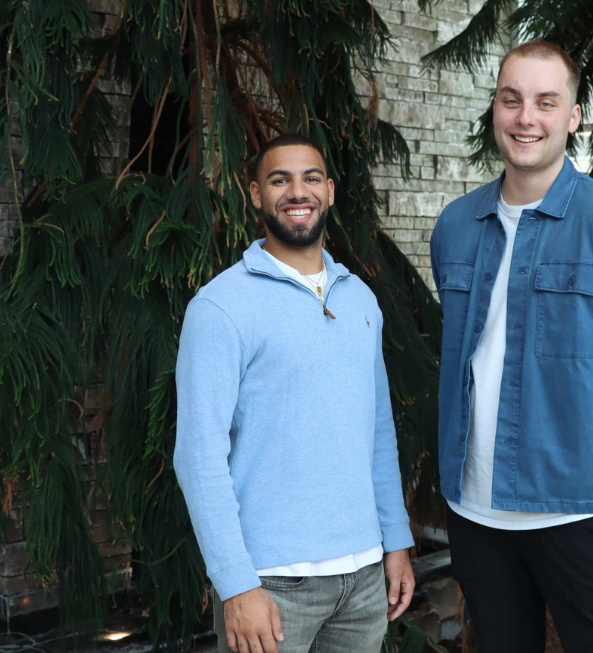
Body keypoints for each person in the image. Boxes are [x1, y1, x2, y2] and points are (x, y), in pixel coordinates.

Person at [429, 40, 593, 653]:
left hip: (585, 512)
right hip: (476, 510)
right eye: (512, 99)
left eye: (547, 102)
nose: (527, 118)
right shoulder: (456, 226)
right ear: (494, 108)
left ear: (573, 116)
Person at [174, 134, 415, 653]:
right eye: (279, 180)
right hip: (272, 583)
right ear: (256, 194)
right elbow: (199, 458)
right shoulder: (219, 308)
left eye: (310, 179)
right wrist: (237, 583)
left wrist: (395, 542)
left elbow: (377, 430)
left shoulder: (361, 299)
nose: (296, 191)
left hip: (364, 576)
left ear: (329, 192)